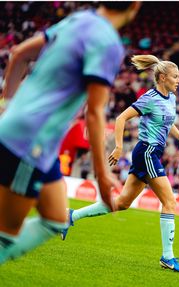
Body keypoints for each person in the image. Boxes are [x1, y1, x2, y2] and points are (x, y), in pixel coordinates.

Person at [0, 2, 141, 264]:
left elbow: (18, 54)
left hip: (28, 135)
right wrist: (102, 175)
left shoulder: (77, 20)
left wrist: (7, 106)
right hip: (31, 141)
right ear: (135, 5)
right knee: (4, 236)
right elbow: (95, 112)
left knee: (55, 218)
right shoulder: (108, 43)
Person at [61, 54, 179, 273]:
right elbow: (121, 118)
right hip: (147, 152)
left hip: (151, 154)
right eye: (175, 77)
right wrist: (119, 146)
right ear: (162, 78)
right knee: (170, 202)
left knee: (121, 203)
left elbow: (168, 123)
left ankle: (71, 216)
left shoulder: (171, 98)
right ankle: (167, 257)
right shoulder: (150, 98)